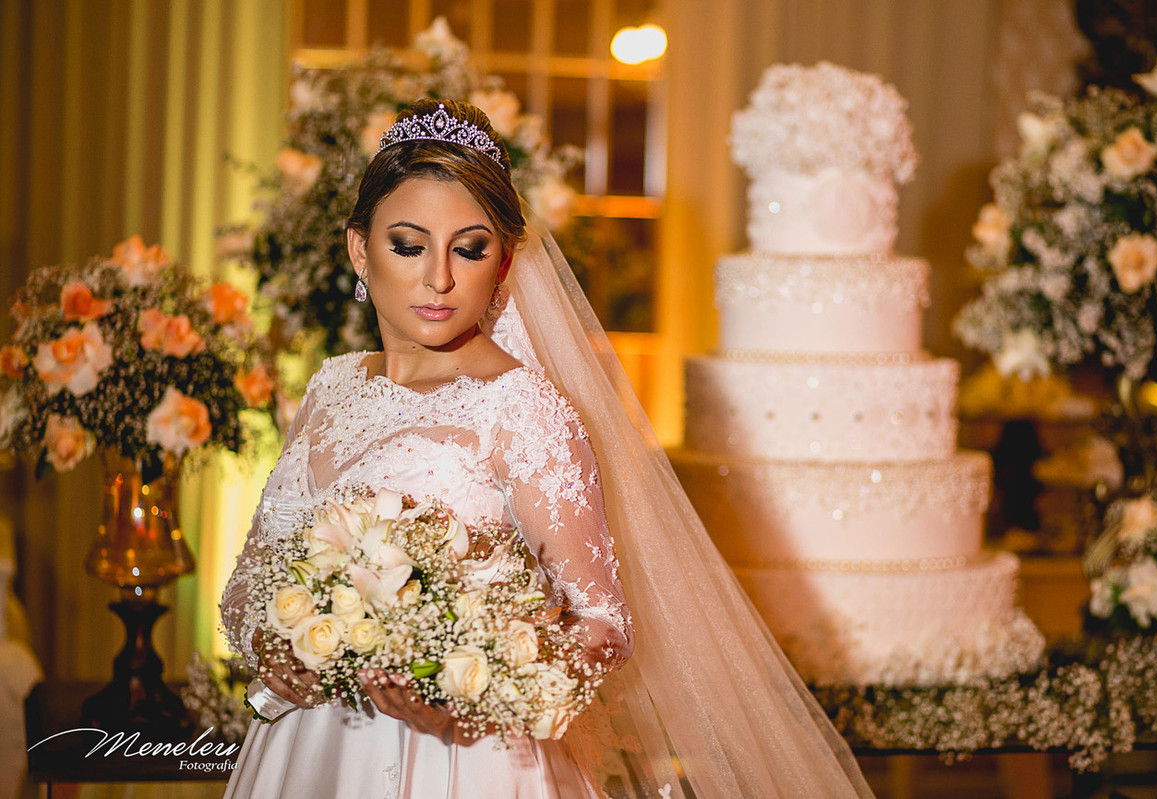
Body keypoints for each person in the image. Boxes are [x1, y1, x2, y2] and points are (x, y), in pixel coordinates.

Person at [220, 98, 874, 798]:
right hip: (307, 748)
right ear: (360, 250)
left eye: (469, 249)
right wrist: (272, 644)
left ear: (502, 262)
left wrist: (470, 685)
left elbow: (604, 626)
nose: (439, 278)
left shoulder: (522, 406)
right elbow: (248, 580)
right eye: (408, 246)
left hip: (461, 760)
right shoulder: (331, 386)